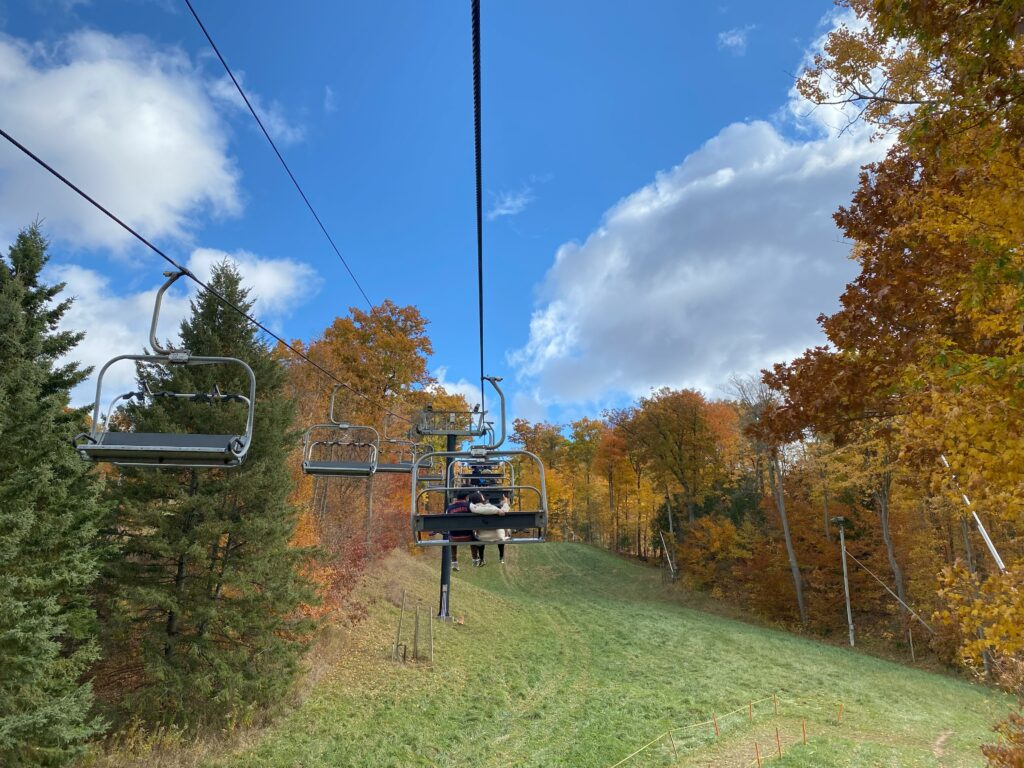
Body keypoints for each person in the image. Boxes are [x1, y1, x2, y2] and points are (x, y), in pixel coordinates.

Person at [468, 490, 510, 565]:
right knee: (502, 529)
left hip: (482, 538)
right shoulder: (491, 508)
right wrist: (505, 503)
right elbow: (504, 512)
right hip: (498, 536)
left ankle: (481, 558)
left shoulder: (473, 509)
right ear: (482, 499)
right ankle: (501, 556)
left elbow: (479, 508)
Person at [445, 491, 473, 571]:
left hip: (454, 538)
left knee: (452, 534)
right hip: (469, 537)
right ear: (466, 497)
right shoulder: (469, 506)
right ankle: (475, 558)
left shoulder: (449, 508)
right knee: (475, 535)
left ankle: (454, 561)